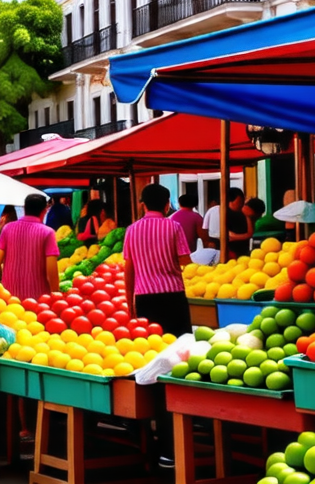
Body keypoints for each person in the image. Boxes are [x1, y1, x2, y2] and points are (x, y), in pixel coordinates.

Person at [122, 183, 193, 469]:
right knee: (177, 364)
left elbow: (129, 270)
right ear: (167, 204)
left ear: (142, 204)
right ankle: (173, 439)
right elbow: (185, 261)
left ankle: (143, 429)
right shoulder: (173, 227)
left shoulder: (131, 230)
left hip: (146, 301)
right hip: (174, 299)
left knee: (149, 362)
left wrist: (130, 304)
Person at [0, 193, 60, 303]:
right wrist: (56, 295)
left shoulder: (8, 228)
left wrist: (1, 280)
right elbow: (51, 271)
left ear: (24, 208)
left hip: (9, 300)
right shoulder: (48, 233)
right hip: (37, 302)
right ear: (44, 211)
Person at [202, 187, 244, 252]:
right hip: (215, 241)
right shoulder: (213, 210)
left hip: (231, 243)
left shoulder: (239, 214)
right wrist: (207, 242)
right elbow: (205, 228)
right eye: (239, 202)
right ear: (230, 201)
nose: (241, 204)